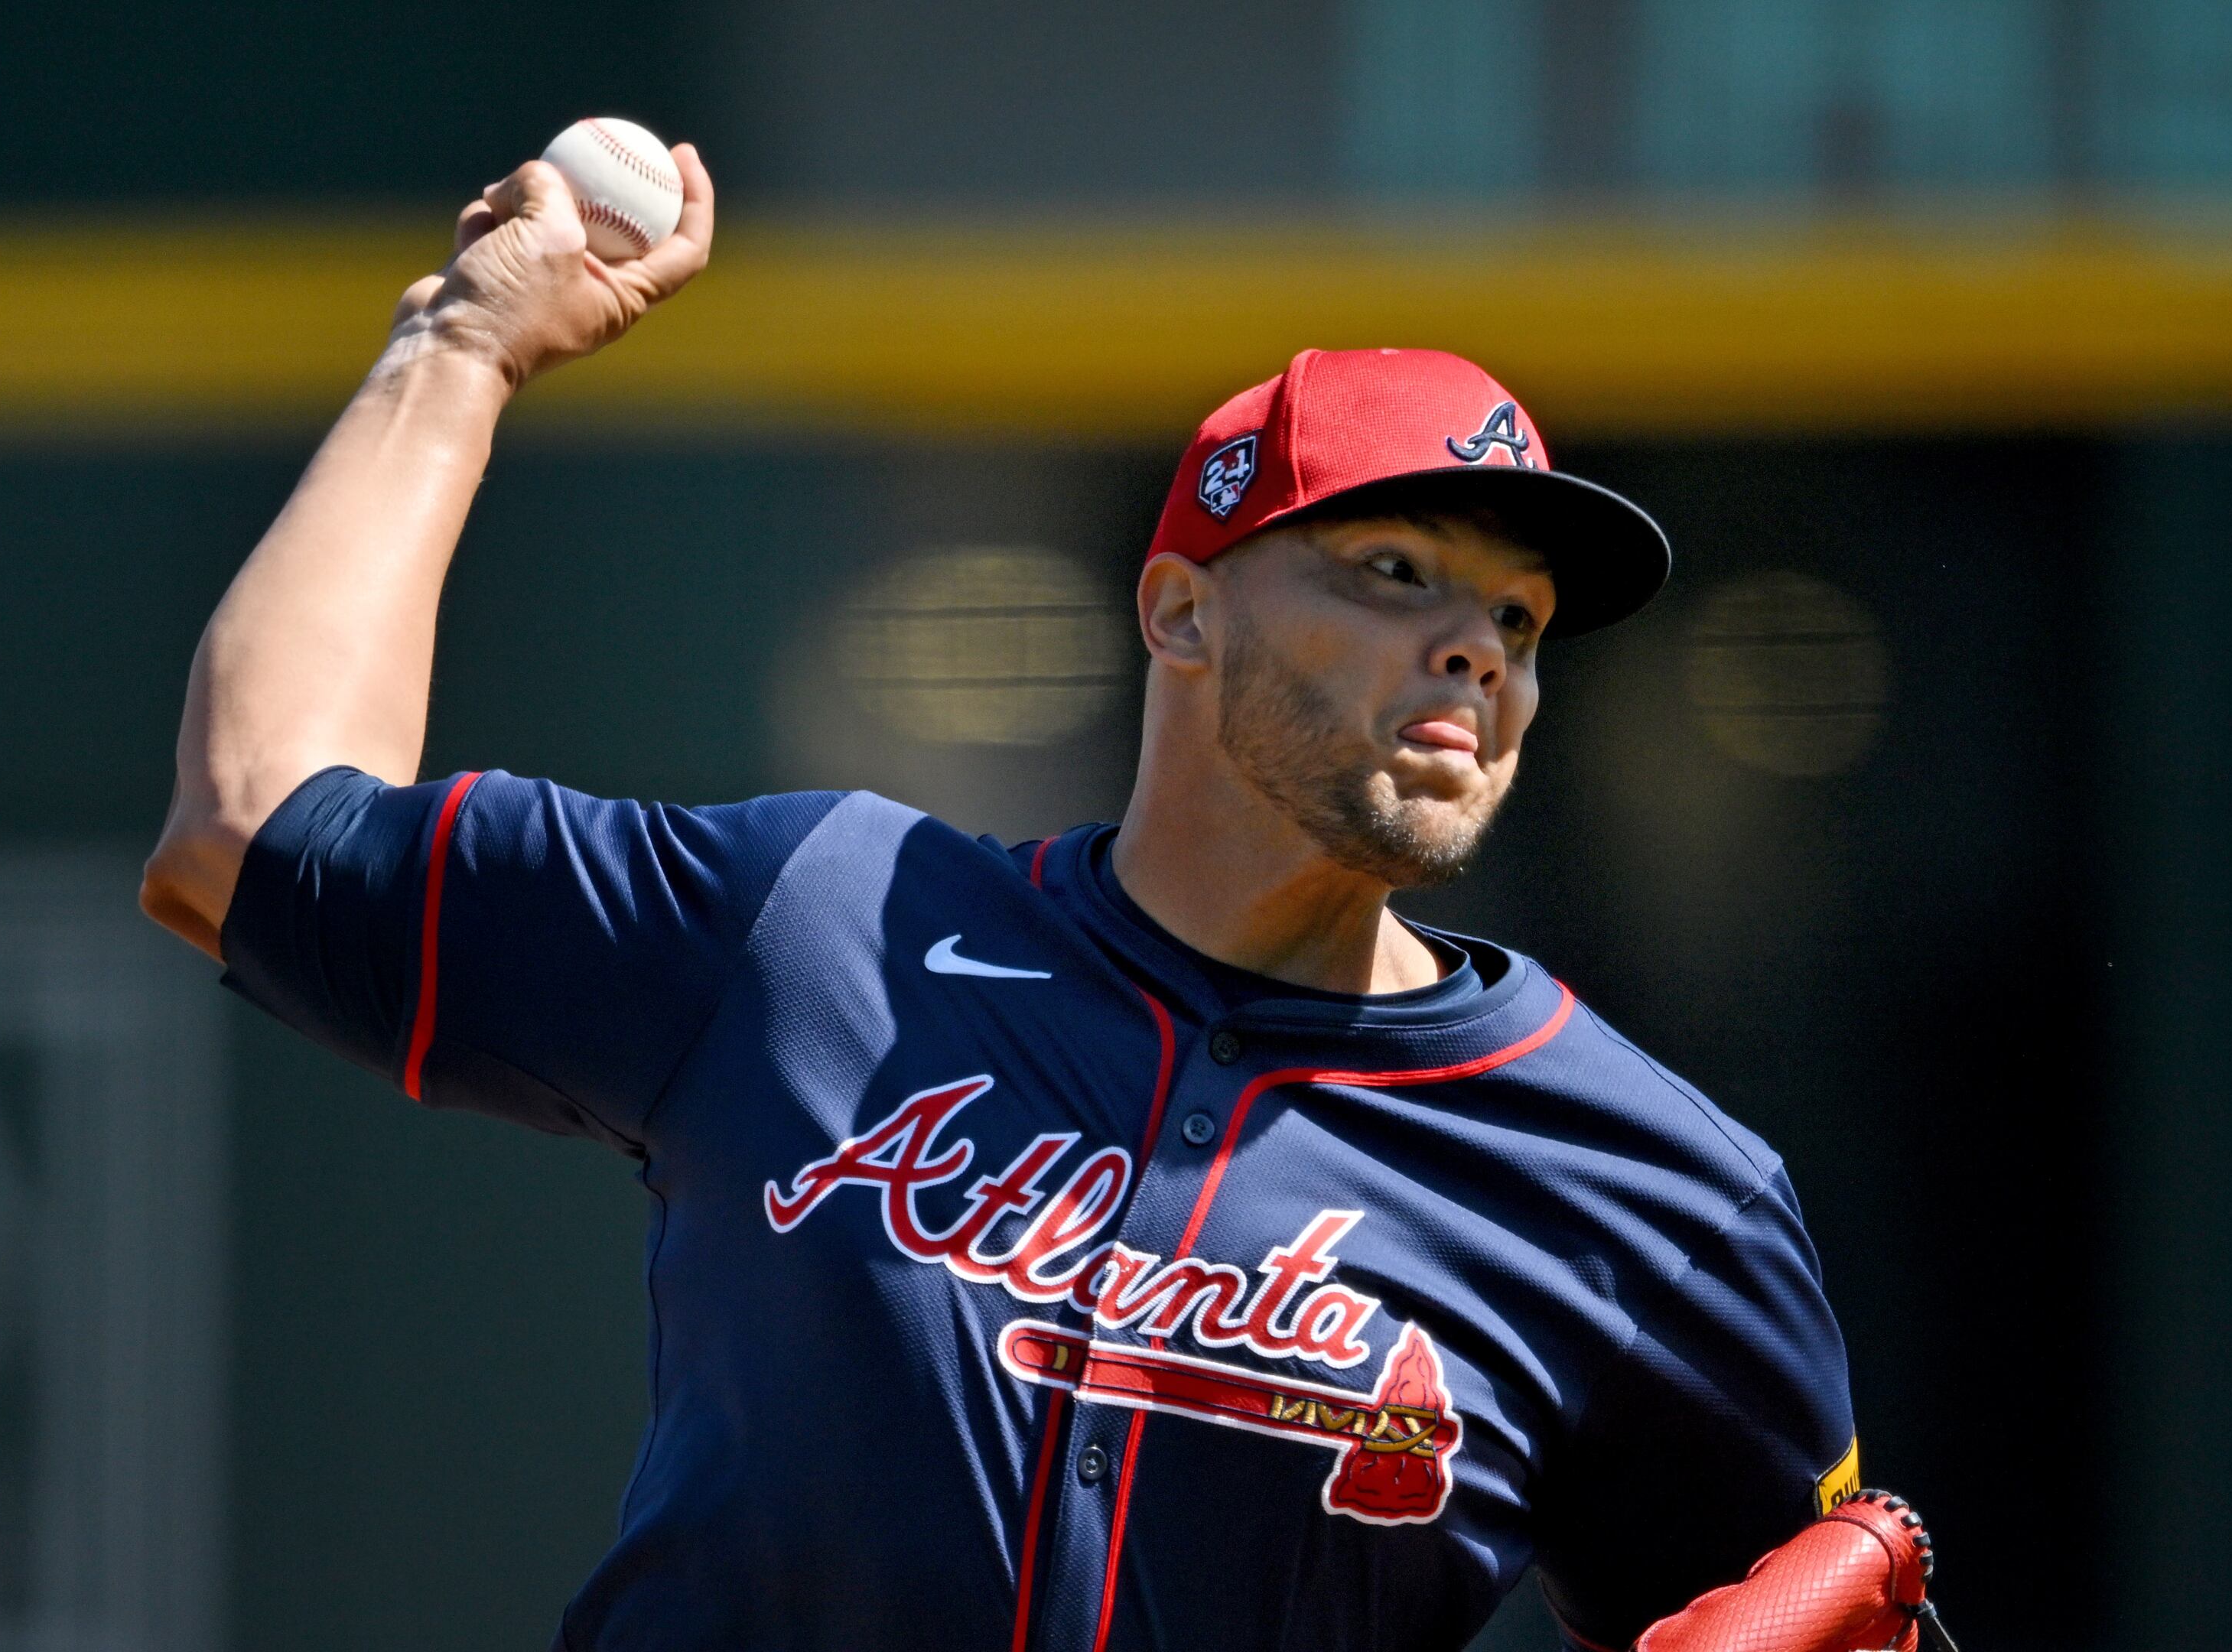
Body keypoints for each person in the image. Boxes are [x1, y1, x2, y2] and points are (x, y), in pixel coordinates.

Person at [140, 146, 1859, 1652]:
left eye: (1520, 620)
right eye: (1394, 572)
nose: (1475, 646)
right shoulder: (815, 928)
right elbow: (246, 833)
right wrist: (457, 346)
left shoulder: (1653, 1197)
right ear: (1181, 614)